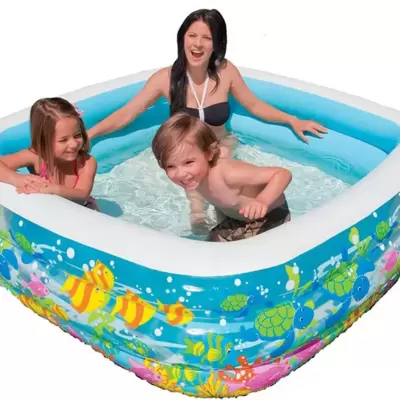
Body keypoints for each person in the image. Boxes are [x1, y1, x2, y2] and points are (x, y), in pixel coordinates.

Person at [87, 8, 326, 227]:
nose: (198, 44)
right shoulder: (165, 79)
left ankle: (225, 215)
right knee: (196, 201)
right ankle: (198, 214)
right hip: (185, 154)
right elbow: (128, 112)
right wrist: (91, 134)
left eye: (206, 38)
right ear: (182, 38)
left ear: (216, 44)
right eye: (192, 35)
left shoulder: (225, 72)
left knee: (224, 186)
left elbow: (254, 105)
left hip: (219, 148)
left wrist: (291, 120)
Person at [152, 112, 292, 242]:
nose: (180, 173)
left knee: (212, 246)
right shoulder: (194, 176)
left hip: (268, 218)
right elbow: (219, 198)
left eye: (188, 162)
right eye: (170, 166)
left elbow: (282, 174)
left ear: (209, 153)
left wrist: (262, 201)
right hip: (237, 217)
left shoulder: (228, 174)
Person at [0, 97, 99, 210]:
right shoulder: (36, 157)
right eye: (63, 140)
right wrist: (16, 178)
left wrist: (52, 189)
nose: (73, 144)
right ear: (44, 141)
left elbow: (82, 195)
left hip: (83, 210)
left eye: (77, 135)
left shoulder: (87, 162)